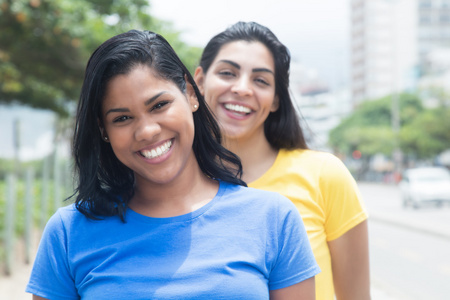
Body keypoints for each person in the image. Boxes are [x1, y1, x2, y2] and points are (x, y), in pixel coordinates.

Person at [26, 29, 320, 299]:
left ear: (191, 95)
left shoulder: (273, 218)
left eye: (159, 105)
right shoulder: (68, 233)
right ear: (104, 131)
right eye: (122, 119)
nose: (147, 131)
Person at [194, 21, 370, 300]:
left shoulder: (325, 176)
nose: (242, 89)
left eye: (260, 80)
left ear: (276, 99)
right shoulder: (174, 184)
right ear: (200, 81)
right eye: (228, 73)